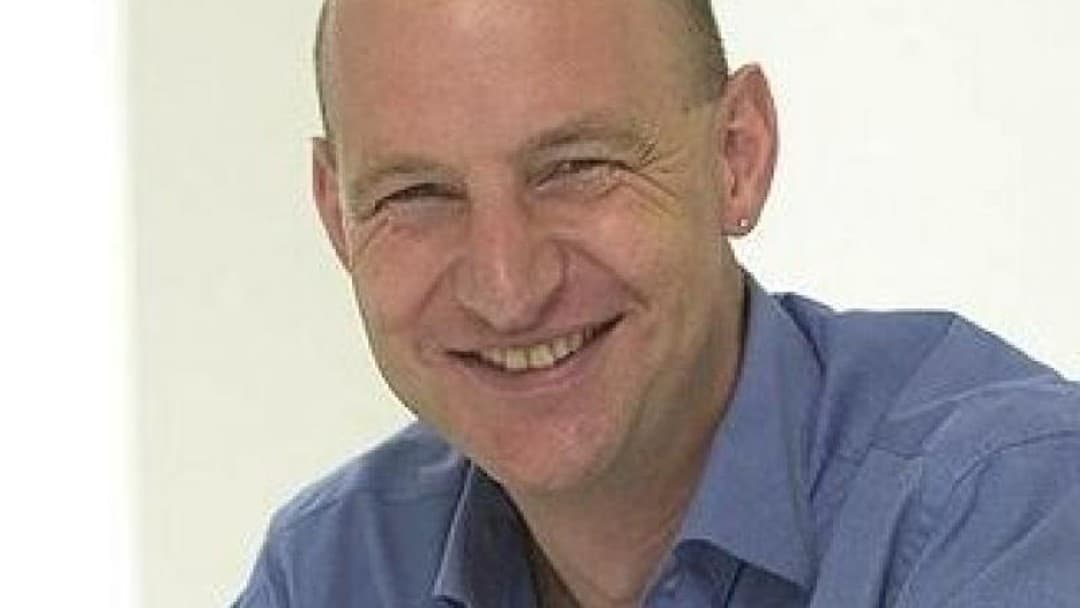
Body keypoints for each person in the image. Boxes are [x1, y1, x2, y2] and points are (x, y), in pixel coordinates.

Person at [233, 0, 1080, 605]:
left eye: (576, 168)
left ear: (736, 156)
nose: (506, 289)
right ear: (338, 219)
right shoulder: (332, 569)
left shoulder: (1008, 503)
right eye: (417, 194)